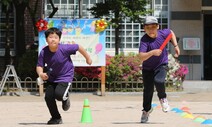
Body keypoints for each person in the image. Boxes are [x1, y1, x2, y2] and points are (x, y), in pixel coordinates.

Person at [36, 27, 92, 125]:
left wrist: (88, 58)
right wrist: (41, 73)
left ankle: (65, 97)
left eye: (55, 37)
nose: (53, 39)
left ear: (59, 39)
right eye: (50, 37)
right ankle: (56, 118)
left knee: (59, 95)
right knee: (48, 97)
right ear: (46, 39)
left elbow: (78, 47)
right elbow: (39, 66)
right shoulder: (44, 52)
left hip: (65, 76)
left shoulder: (65, 48)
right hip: (51, 77)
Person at [139, 16, 180, 123]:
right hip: (147, 68)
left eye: (153, 27)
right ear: (144, 29)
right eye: (148, 28)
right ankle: (146, 110)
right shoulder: (144, 40)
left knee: (159, 81)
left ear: (158, 27)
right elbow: (141, 56)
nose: (151, 30)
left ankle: (163, 98)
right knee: (148, 91)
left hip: (161, 64)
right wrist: (152, 52)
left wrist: (175, 45)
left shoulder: (163, 34)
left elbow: (171, 32)